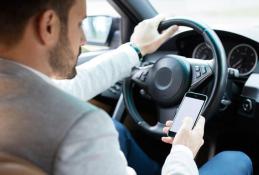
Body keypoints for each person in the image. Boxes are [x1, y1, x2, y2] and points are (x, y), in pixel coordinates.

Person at [0, 1, 252, 175]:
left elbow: (66, 89)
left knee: (116, 128)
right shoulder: (81, 127)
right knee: (236, 160)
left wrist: (136, 49)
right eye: (79, 24)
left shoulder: (18, 93)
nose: (84, 39)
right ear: (49, 26)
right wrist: (183, 152)